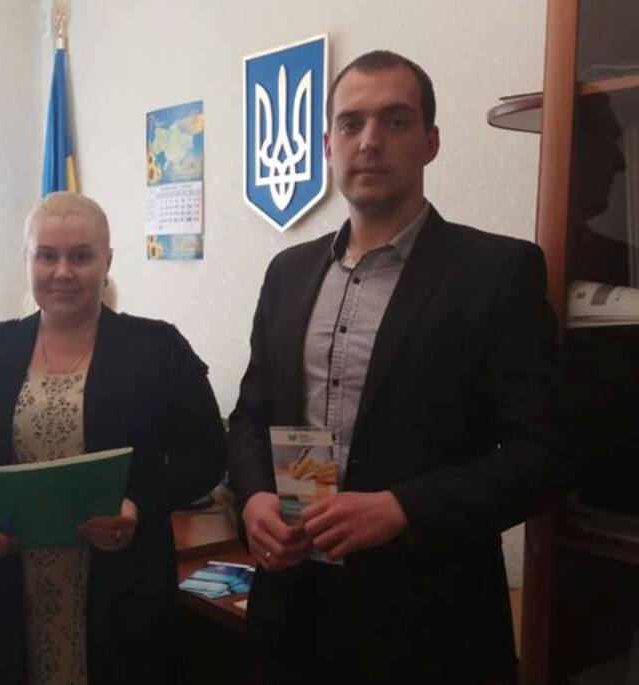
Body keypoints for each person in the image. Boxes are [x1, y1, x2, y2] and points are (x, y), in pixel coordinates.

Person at [227, 51, 570, 684]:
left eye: (395, 121)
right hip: (293, 608)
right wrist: (253, 498)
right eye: (351, 123)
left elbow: (544, 453)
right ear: (327, 145)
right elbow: (250, 416)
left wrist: (402, 508)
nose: (370, 141)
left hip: (430, 622)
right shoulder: (288, 273)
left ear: (431, 142)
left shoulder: (497, 273)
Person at [0, 191, 226, 685]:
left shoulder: (158, 348)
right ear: (27, 260)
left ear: (107, 261)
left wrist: (138, 505)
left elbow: (208, 455)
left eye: (81, 256)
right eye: (47, 256)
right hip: (9, 578)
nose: (63, 272)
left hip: (123, 582)